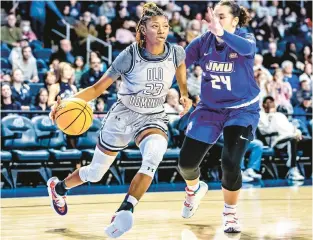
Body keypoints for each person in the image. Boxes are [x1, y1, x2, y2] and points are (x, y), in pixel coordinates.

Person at [47, 3, 191, 239]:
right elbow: (96, 89)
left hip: (152, 116)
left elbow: (181, 70)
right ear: (144, 30)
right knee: (95, 173)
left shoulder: (176, 52)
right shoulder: (129, 55)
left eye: (165, 26)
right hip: (123, 116)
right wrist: (64, 103)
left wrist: (184, 94)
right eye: (156, 26)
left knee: (154, 155)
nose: (163, 30)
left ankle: (125, 209)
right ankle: (58, 187)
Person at [178, 0, 260, 233]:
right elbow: (180, 62)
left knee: (231, 162)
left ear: (234, 21)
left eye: (221, 16)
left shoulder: (245, 38)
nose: (215, 20)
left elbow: (248, 51)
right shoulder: (204, 42)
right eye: (214, 16)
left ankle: (230, 214)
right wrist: (183, 93)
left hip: (242, 109)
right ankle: (194, 189)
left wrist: (222, 33)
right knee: (186, 164)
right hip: (209, 109)